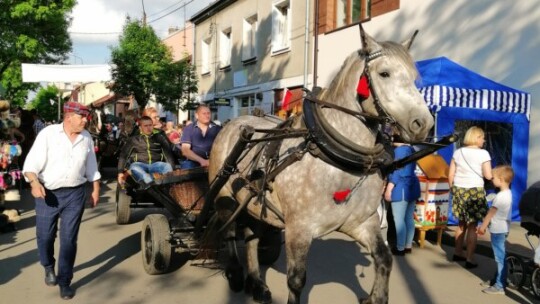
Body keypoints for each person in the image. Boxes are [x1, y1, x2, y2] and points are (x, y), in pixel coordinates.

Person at [22, 101, 101, 300]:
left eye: (86, 116)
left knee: (69, 239)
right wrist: (33, 183)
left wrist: (95, 190)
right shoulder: (48, 135)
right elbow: (31, 164)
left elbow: (92, 167)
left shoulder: (86, 138)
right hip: (47, 194)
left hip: (75, 194)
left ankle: (65, 281)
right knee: (45, 236)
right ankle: (48, 266)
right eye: (81, 117)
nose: (86, 120)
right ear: (68, 117)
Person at [449, 126, 493, 268]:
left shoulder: (458, 152)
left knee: (461, 224)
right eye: (482, 137)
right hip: (475, 191)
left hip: (459, 190)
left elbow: (451, 174)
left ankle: (457, 252)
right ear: (476, 137)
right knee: (473, 226)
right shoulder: (483, 154)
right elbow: (488, 175)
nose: (484, 140)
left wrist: (453, 189)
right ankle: (469, 258)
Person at [477, 165, 514, 295]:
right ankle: (499, 279)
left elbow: (490, 214)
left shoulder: (500, 197)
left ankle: (499, 286)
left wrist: (482, 227)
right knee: (501, 256)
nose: (492, 180)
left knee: (499, 258)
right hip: (503, 228)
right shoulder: (507, 194)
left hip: (498, 230)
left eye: (494, 178)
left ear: (501, 179)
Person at [384, 136, 420, 256]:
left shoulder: (398, 151)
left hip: (401, 188)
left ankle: (400, 248)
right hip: (412, 187)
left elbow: (397, 172)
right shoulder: (412, 150)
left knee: (399, 220)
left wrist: (389, 188)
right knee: (409, 218)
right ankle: (408, 245)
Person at [117, 116, 175, 188]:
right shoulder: (134, 140)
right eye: (145, 126)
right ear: (140, 128)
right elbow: (123, 156)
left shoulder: (159, 137)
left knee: (167, 166)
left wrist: (173, 171)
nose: (148, 128)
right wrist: (120, 172)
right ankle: (150, 184)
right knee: (134, 167)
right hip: (140, 164)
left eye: (150, 125)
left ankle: (168, 187)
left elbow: (168, 155)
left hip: (156, 164)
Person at [180, 105, 221, 169]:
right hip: (193, 161)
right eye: (204, 113)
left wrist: (213, 161)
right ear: (196, 115)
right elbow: (185, 150)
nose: (207, 116)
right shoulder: (189, 128)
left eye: (208, 113)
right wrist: (202, 161)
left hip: (213, 161)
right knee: (187, 168)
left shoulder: (217, 129)